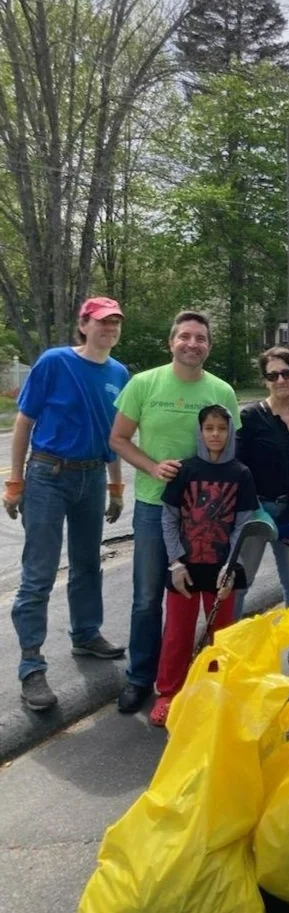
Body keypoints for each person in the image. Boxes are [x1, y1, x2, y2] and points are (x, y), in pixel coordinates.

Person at [2, 297, 129, 711]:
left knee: (88, 562)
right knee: (39, 572)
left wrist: (115, 487)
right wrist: (14, 481)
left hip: (92, 477)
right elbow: (24, 421)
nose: (110, 329)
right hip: (47, 475)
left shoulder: (118, 373)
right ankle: (31, 665)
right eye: (103, 322)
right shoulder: (55, 362)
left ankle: (86, 633)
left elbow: (113, 434)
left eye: (115, 323)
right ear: (84, 324)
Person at [110, 310, 239, 715]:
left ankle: (209, 682)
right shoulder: (143, 384)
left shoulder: (222, 391)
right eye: (185, 336)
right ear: (172, 342)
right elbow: (118, 438)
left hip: (209, 517)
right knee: (148, 597)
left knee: (209, 598)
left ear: (209, 346)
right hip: (154, 507)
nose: (192, 344)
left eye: (200, 338)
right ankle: (141, 679)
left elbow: (234, 449)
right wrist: (151, 467)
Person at [149, 404, 258, 726]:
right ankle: (169, 692)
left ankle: (215, 691)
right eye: (209, 428)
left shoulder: (241, 473)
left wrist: (231, 565)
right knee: (177, 634)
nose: (215, 434)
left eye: (221, 429)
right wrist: (175, 563)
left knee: (221, 636)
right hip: (185, 568)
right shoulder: (185, 470)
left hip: (222, 568)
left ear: (230, 433)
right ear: (200, 432)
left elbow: (242, 525)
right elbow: (168, 519)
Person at [236, 347, 289, 673]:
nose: (280, 380)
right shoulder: (250, 417)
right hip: (258, 511)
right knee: (241, 581)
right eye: (273, 375)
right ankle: (228, 648)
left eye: (286, 373)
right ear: (265, 380)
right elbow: (239, 468)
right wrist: (251, 509)